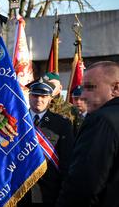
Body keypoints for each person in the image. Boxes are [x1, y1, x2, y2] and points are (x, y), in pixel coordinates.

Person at [56, 61, 119, 207]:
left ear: (115, 88)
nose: (83, 96)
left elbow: (83, 185)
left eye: (90, 88)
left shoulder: (102, 120)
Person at [18, 77, 74, 206]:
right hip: (20, 190)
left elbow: (67, 161)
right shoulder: (17, 122)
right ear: (29, 96)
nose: (39, 100)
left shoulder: (62, 124)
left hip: (48, 192)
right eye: (35, 95)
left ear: (50, 98)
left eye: (43, 96)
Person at [43, 72, 84, 137]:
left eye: (52, 84)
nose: (49, 87)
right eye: (46, 84)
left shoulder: (71, 110)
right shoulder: (37, 108)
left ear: (60, 88)